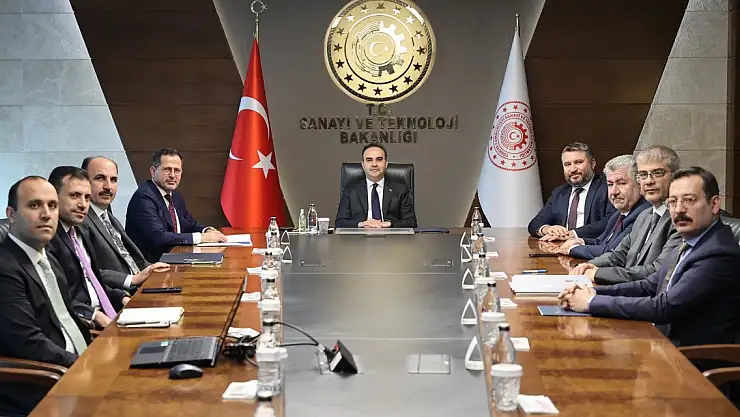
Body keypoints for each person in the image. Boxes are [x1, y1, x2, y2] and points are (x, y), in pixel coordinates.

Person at [558, 167, 740, 347]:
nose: (678, 209)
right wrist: (592, 292)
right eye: (672, 202)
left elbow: (664, 307)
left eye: (689, 200)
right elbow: (650, 285)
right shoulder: (691, 240)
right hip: (662, 344)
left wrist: (591, 302)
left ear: (714, 204)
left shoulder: (718, 252)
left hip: (691, 356)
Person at [0, 176, 91, 415]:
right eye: (34, 205)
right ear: (11, 214)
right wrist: (85, 365)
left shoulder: (48, 258)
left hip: (78, 368)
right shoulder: (5, 268)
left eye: (52, 205)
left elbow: (66, 319)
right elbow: (27, 343)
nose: (46, 214)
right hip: (43, 385)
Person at [571, 146, 682, 284]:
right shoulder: (645, 215)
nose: (649, 181)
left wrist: (598, 273)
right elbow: (618, 255)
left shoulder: (681, 219)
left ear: (675, 177)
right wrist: (588, 266)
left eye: (657, 173)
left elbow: (658, 271)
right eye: (643, 175)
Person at [46, 166, 132, 330]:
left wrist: (122, 297)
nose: (83, 204)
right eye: (74, 196)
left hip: (108, 314)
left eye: (87, 197)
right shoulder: (48, 239)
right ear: (53, 197)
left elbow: (93, 282)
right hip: (86, 324)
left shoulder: (81, 232)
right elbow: (54, 297)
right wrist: (94, 315)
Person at [81, 156, 168, 291]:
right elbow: (86, 272)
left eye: (113, 180)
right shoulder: (80, 220)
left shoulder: (107, 216)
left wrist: (161, 270)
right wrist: (131, 280)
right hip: (122, 293)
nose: (108, 186)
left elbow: (135, 260)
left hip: (142, 286)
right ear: (84, 182)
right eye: (100, 178)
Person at [126, 148, 227, 262]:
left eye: (177, 170)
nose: (172, 175)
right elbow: (160, 237)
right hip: (151, 265)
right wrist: (201, 237)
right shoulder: (144, 198)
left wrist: (207, 230)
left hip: (174, 259)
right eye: (167, 170)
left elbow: (190, 225)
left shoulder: (175, 196)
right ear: (153, 171)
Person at [558, 155, 649, 259]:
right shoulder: (618, 215)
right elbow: (601, 241)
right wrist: (580, 241)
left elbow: (610, 252)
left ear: (640, 186)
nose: (614, 192)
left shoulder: (643, 214)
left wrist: (572, 249)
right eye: (610, 184)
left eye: (621, 183)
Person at [528, 142, 616, 240]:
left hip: (593, 246)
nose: (573, 169)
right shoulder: (559, 193)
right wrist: (547, 229)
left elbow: (611, 221)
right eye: (567, 164)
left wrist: (573, 234)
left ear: (592, 164)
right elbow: (535, 223)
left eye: (578, 162)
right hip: (560, 245)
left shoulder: (608, 187)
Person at [335, 143, 417, 228]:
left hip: (390, 234)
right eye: (369, 160)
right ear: (363, 165)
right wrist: (361, 224)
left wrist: (390, 224)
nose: (374, 164)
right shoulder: (350, 189)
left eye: (379, 159)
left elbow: (411, 222)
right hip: (360, 234)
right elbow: (340, 222)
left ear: (386, 163)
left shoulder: (400, 189)